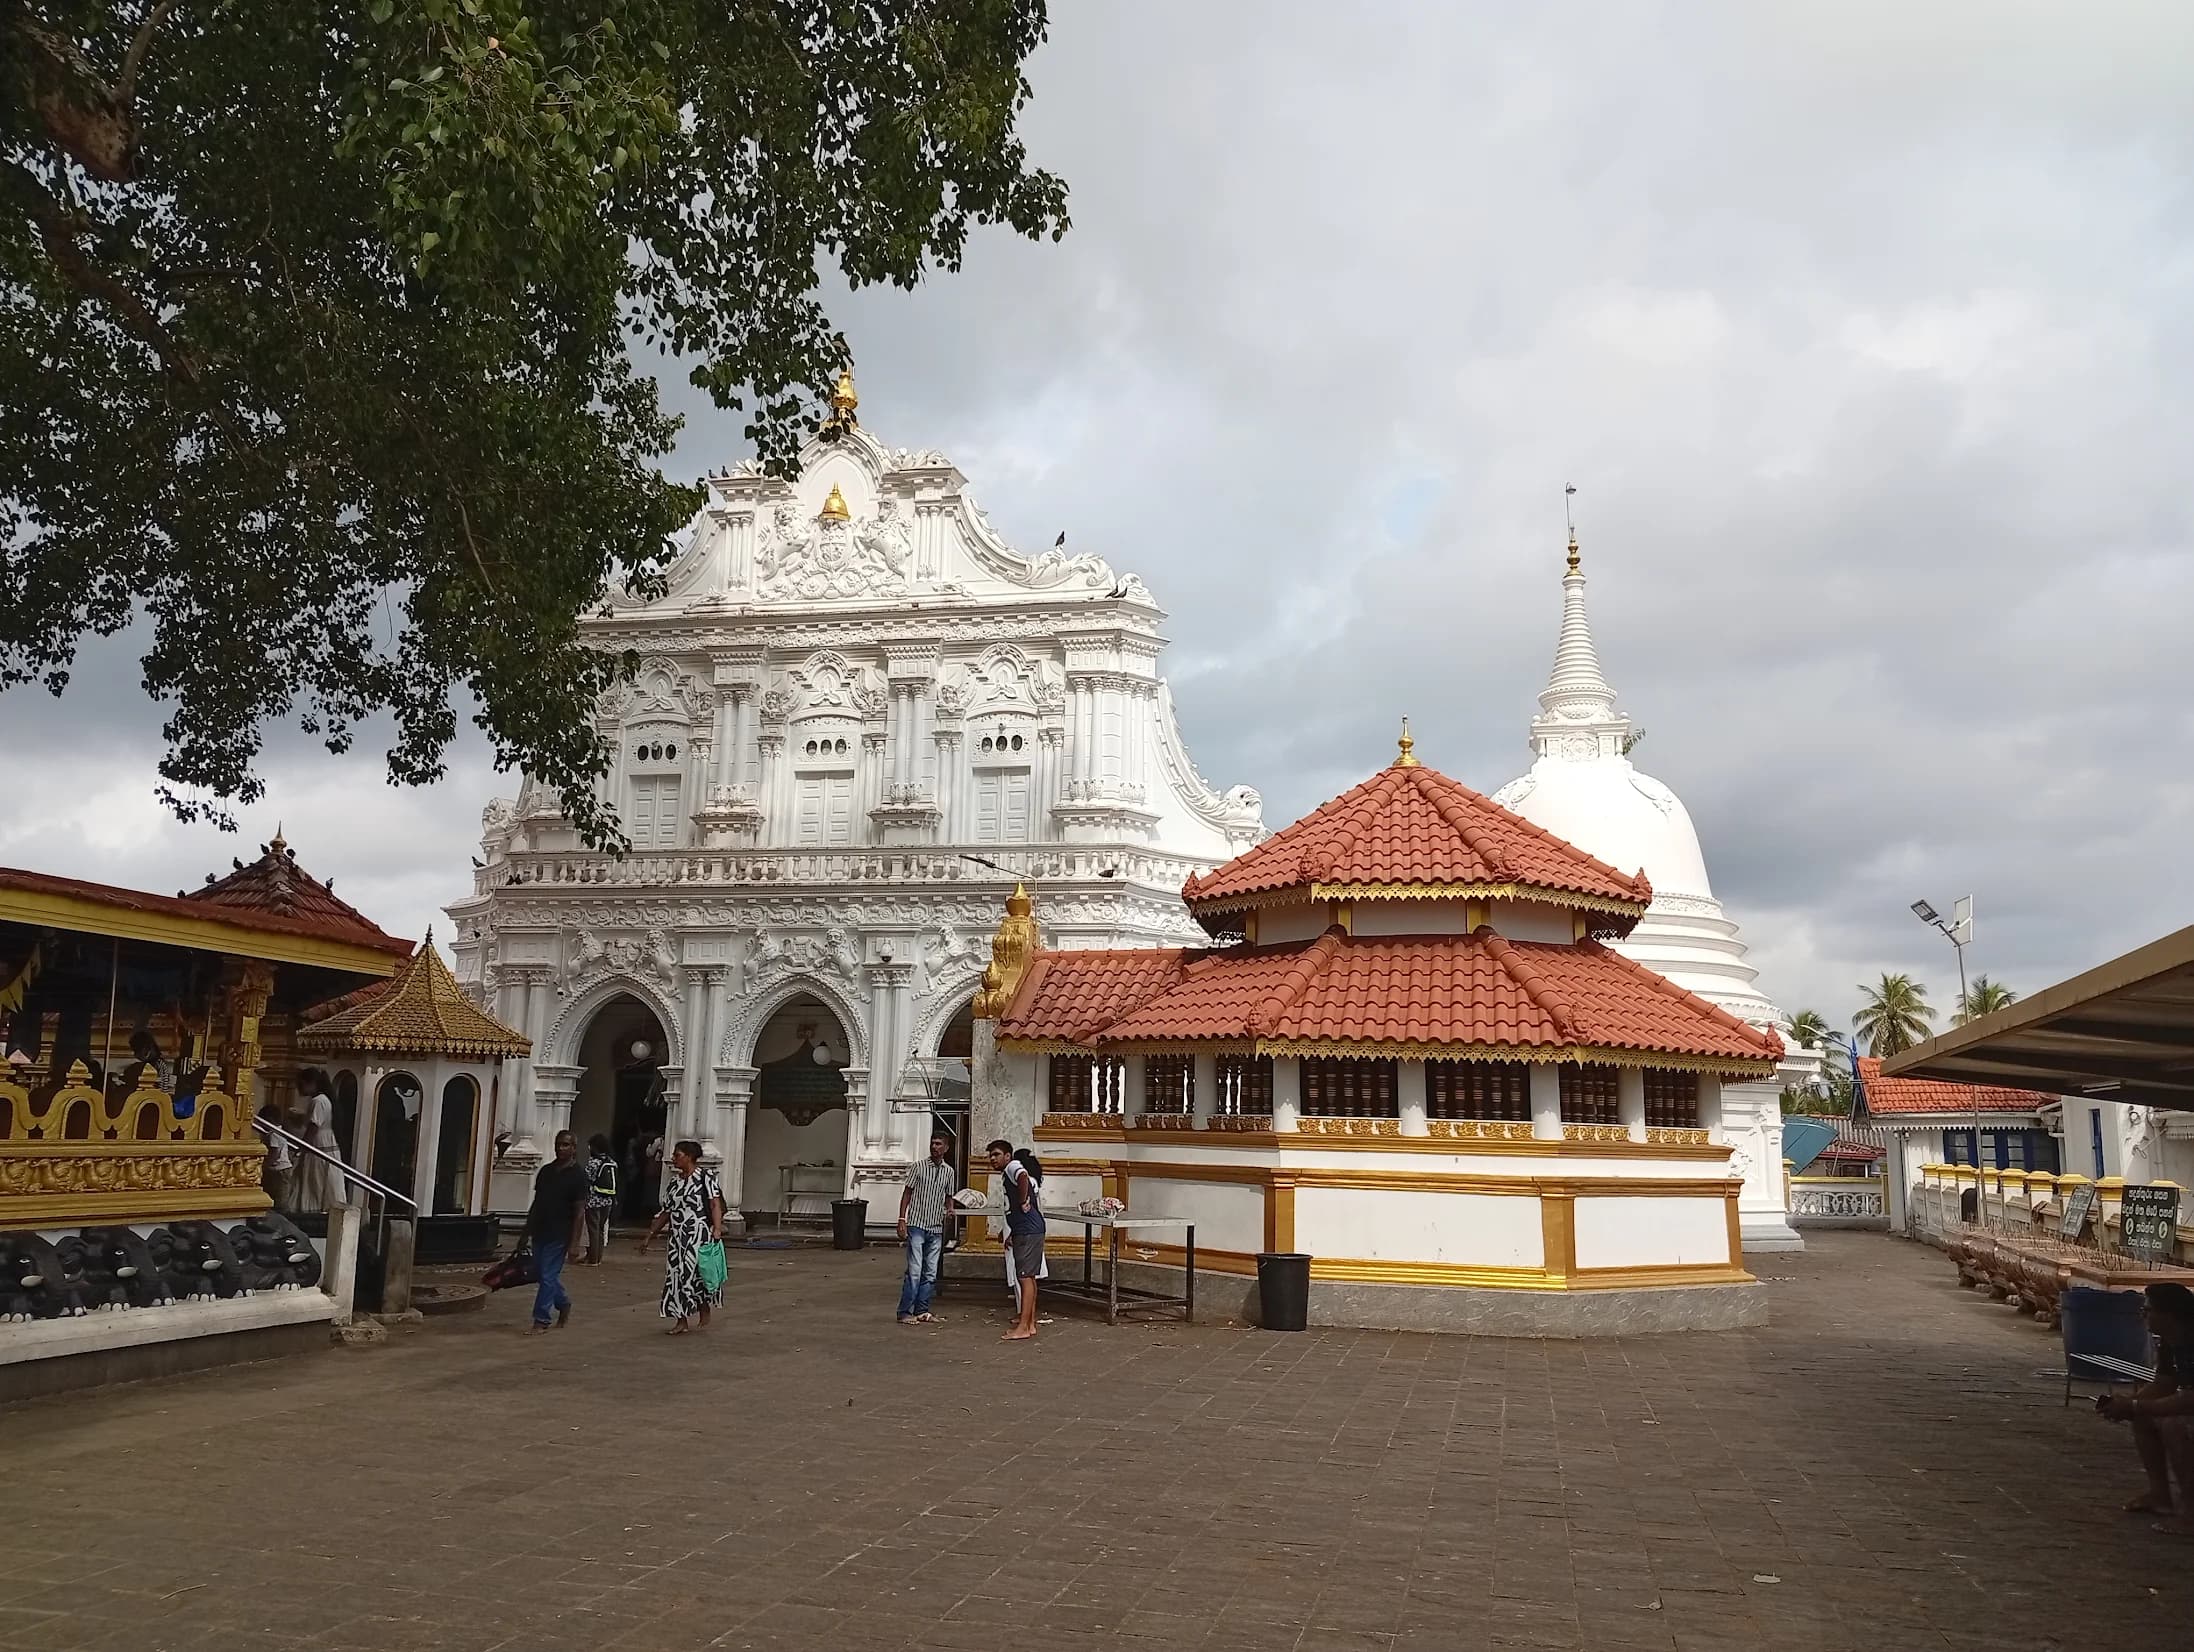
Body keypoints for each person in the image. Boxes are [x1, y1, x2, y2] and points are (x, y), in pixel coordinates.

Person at [2099, 1281, 2194, 1530]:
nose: (2144, 1315)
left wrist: (2137, 1406)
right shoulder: (2170, 1341)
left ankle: (2191, 1510)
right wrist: (2130, 1405)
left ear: (2169, 1314)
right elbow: (2164, 1384)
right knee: (2144, 1417)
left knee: (2175, 1426)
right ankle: (2160, 1495)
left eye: (2148, 1310)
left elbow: (2189, 1399)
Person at [639, 1139, 723, 1335]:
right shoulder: (674, 1183)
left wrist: (717, 1228)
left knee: (695, 1274)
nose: (674, 1159)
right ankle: (681, 1319)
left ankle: (702, 1305)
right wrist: (650, 1235)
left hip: (698, 1234)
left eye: (678, 1155)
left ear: (690, 1157)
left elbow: (714, 1204)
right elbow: (666, 1212)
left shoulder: (705, 1177)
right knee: (676, 1277)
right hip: (677, 1238)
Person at [524, 1129, 589, 1335]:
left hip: (560, 1233)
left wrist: (575, 1243)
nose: (561, 1148)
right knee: (542, 1273)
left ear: (574, 1148)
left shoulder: (578, 1176)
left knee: (548, 1274)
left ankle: (541, 1319)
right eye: (559, 1144)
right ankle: (563, 1302)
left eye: (566, 1145)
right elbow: (537, 1203)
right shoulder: (546, 1172)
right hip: (540, 1229)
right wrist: (525, 1232)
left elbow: (579, 1212)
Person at [896, 1128, 957, 1325]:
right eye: (933, 1143)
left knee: (930, 1272)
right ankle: (905, 1312)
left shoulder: (949, 1172)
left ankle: (922, 1310)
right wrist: (901, 1219)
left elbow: (948, 1197)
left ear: (946, 1148)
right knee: (914, 1270)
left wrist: (949, 1210)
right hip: (917, 1223)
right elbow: (907, 1193)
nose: (934, 1147)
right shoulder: (918, 1167)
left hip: (936, 1226)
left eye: (939, 1144)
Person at [987, 1139, 1044, 1342]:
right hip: (1026, 1229)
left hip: (1028, 1230)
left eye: (996, 1154)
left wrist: (1022, 1201)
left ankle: (1024, 1327)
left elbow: (1022, 1177)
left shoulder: (1013, 1167)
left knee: (1025, 1277)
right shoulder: (1008, 1173)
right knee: (1029, 1277)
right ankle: (1030, 1323)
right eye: (990, 1156)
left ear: (1008, 1155)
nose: (992, 1159)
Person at [285, 1068, 343, 1214]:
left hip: (319, 1144)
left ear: (311, 1083)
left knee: (316, 1179)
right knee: (314, 1178)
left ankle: (314, 1208)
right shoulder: (321, 1100)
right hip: (324, 1142)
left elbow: (313, 1127)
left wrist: (301, 1149)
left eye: (301, 1084)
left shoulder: (319, 1101)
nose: (299, 1089)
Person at [583, 1133, 619, 1264]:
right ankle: (598, 1258)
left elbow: (586, 1180)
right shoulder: (612, 1162)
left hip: (593, 1199)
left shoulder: (593, 1162)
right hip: (608, 1200)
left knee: (593, 1229)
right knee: (601, 1229)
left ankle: (592, 1259)